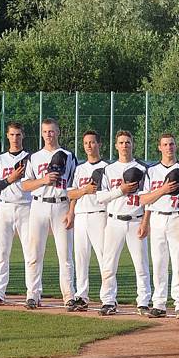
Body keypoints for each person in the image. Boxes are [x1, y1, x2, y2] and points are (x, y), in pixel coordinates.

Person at [20, 118, 78, 311]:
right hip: (39, 206)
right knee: (34, 253)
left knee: (65, 254)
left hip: (61, 205)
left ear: (58, 132)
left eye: (52, 131)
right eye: (45, 131)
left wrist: (71, 211)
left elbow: (74, 187)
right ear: (41, 133)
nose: (49, 135)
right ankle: (33, 294)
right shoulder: (34, 157)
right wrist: (43, 180)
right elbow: (25, 185)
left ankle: (69, 296)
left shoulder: (69, 156)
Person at [95, 130, 151, 316]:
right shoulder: (108, 170)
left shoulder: (143, 169)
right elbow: (100, 197)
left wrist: (145, 221)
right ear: (116, 145)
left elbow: (147, 198)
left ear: (132, 144)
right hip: (114, 221)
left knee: (141, 265)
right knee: (109, 264)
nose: (124, 145)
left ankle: (143, 301)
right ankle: (108, 301)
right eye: (121, 142)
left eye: (128, 142)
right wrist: (121, 190)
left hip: (136, 220)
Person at [138, 133, 179, 319]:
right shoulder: (151, 171)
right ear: (159, 147)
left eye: (171, 144)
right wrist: (162, 191)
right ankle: (159, 303)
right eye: (165, 144)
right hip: (157, 219)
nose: (168, 147)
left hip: (178, 217)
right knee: (159, 263)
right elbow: (143, 199)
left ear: (176, 146)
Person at [0, 122, 31, 306]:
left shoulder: (31, 158)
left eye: (18, 135)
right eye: (12, 135)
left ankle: (32, 294)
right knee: (1, 252)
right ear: (7, 136)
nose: (15, 138)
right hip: (4, 207)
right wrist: (9, 179)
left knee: (30, 253)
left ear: (23, 136)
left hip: (26, 206)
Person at [67, 130, 108, 312]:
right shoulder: (79, 169)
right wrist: (71, 213)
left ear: (99, 144)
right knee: (81, 258)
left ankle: (108, 297)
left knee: (104, 258)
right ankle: (81, 296)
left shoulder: (107, 168)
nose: (89, 146)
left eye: (92, 142)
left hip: (100, 214)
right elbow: (70, 193)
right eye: (86, 143)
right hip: (81, 215)